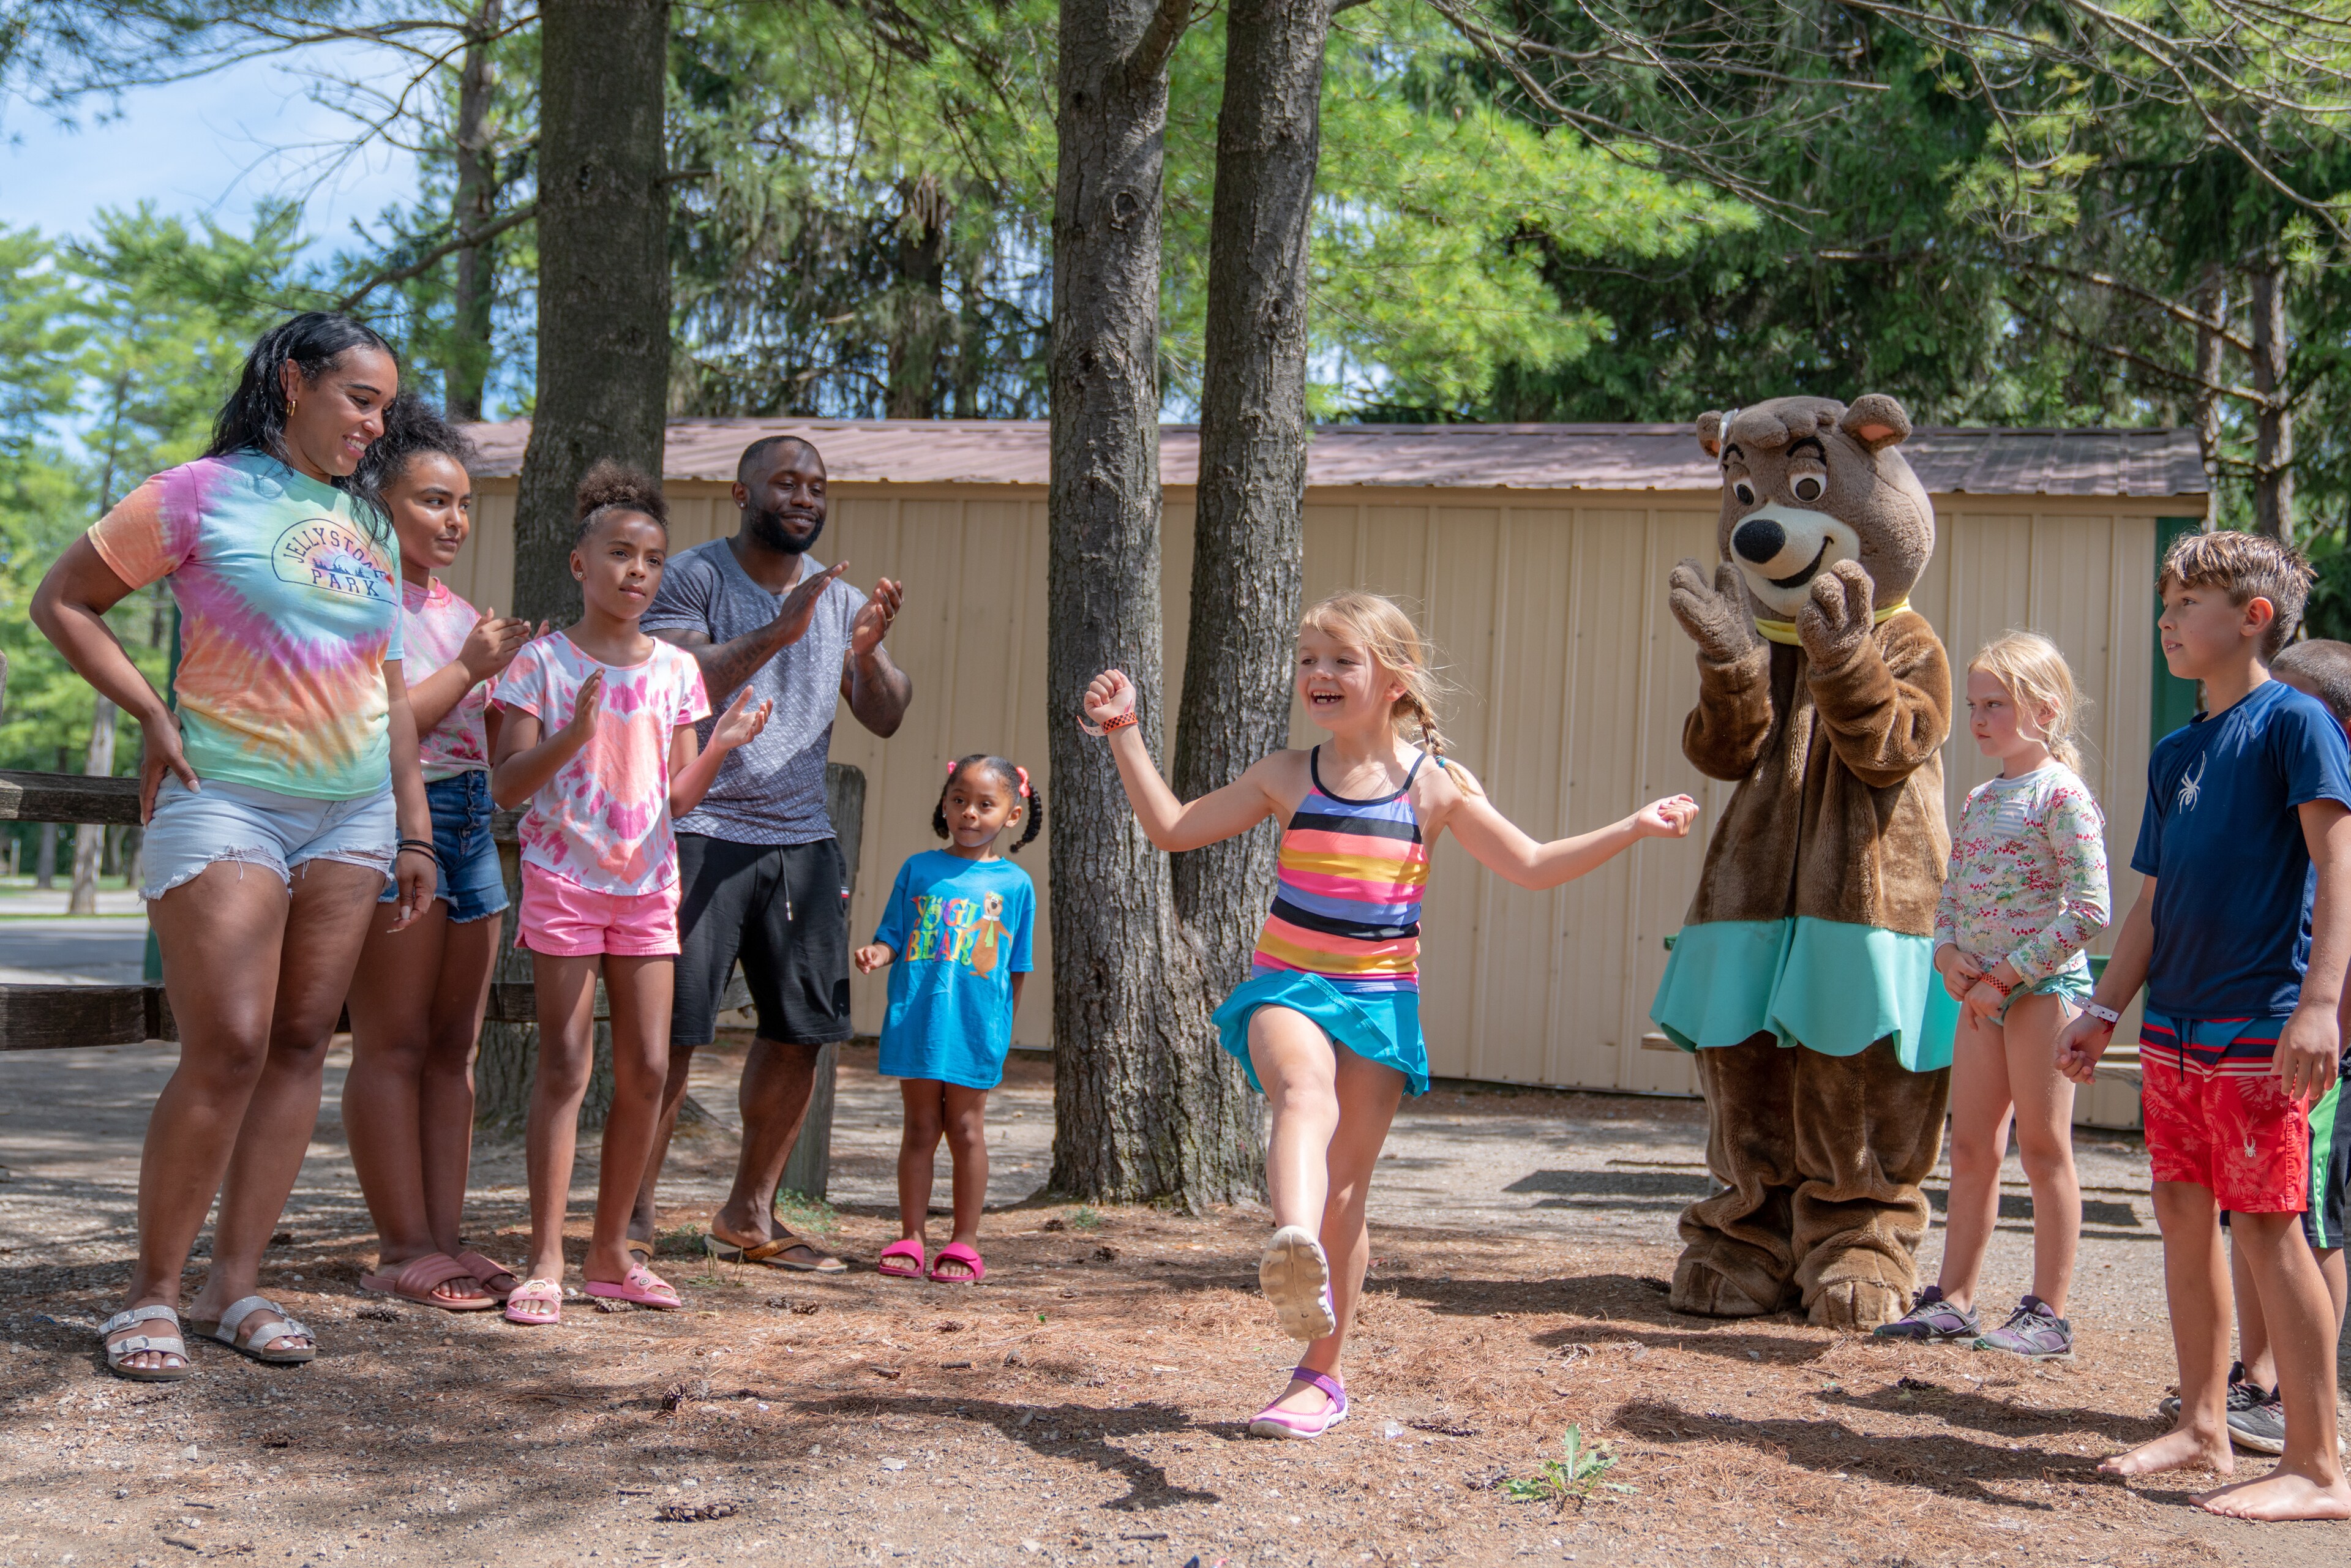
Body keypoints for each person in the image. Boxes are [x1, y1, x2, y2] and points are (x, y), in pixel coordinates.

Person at [1082, 591, 1699, 1439]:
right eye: (1308, 660)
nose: (1320, 675)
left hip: (1378, 1002)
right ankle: (1291, 1243)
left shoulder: (1433, 787)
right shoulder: (1285, 775)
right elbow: (1174, 826)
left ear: (1396, 681)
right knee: (1304, 1094)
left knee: (1348, 1192)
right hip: (1289, 984)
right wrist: (1125, 733)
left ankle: (1319, 1375)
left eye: (1341, 660)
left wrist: (1633, 825)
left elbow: (1532, 864)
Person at [32, 312, 436, 1379]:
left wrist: (410, 822)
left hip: (350, 812)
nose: (375, 424)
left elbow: (385, 688)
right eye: (360, 399)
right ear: (296, 381)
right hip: (229, 798)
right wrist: (150, 715)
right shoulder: (196, 493)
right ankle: (150, 1293)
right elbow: (64, 601)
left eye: (386, 407)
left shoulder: (370, 525)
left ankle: (234, 1285)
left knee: (305, 1042)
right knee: (231, 1043)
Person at [2057, 530, 2351, 1521]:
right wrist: (2105, 1008)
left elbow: (2338, 868)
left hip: (2261, 1026)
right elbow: (2152, 901)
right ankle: (2203, 1424)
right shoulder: (2176, 750)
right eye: (2166, 603)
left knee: (2270, 1232)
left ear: (2253, 617)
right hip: (2175, 1029)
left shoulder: (2297, 725)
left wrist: (2318, 1006)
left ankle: (2317, 1465)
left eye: (2186, 604)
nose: (2167, 620)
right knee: (2182, 1220)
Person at [488, 463, 774, 1326]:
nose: (637, 572)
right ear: (581, 564)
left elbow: (679, 798)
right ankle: (544, 1258)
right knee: (567, 1067)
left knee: (650, 1067)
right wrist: (574, 732)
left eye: (651, 558)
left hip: (649, 884)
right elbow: (507, 785)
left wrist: (721, 742)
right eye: (620, 554)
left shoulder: (676, 671)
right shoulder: (541, 662)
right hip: (566, 882)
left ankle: (611, 1252)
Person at [633, 434, 909, 1274]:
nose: (804, 496)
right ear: (741, 491)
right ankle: (630, 1220)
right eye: (785, 481)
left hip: (800, 840)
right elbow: (684, 684)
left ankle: (748, 1215)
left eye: (817, 485)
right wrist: (783, 633)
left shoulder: (841, 595)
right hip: (697, 830)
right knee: (671, 1034)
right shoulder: (694, 576)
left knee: (801, 1033)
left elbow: (888, 715)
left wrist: (860, 653)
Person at [343, 395, 539, 1311]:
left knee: (455, 1049)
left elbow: (501, 772)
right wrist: (470, 669)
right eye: (432, 501)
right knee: (393, 1041)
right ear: (380, 500)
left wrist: (522, 712)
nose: (454, 520)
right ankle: (400, 1245)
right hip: (390, 819)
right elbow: (379, 727)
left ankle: (447, 1237)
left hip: (468, 827)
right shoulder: (359, 595)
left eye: (463, 504)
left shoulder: (461, 611)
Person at [1877, 632, 2109, 1358]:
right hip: (1978, 995)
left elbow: (2091, 907)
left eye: (1995, 705)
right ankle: (1953, 1298)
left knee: (2043, 1148)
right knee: (1974, 1145)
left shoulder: (2062, 794)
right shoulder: (1979, 797)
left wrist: (2009, 973)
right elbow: (1953, 894)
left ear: (2045, 707)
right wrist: (1948, 956)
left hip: (2040, 993)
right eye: (1974, 705)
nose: (1978, 718)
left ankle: (2048, 1311)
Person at [2186, 636, 2351, 1454]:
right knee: (2251, 1214)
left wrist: (2319, 1016)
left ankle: (2296, 1405)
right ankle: (2257, 1378)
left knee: (2304, 1222)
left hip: (2321, 1059)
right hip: (2256, 1042)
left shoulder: (2332, 817)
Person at [854, 755, 1040, 1285]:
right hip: (917, 1019)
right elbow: (893, 934)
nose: (969, 813)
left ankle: (965, 1239)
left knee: (965, 1130)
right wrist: (877, 953)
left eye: (986, 804)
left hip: (975, 1029)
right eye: (960, 800)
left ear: (1011, 815)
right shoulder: (918, 869)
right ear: (944, 803)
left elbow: (1017, 968)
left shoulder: (1016, 884)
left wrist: (1000, 1030)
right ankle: (911, 1235)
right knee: (919, 1128)